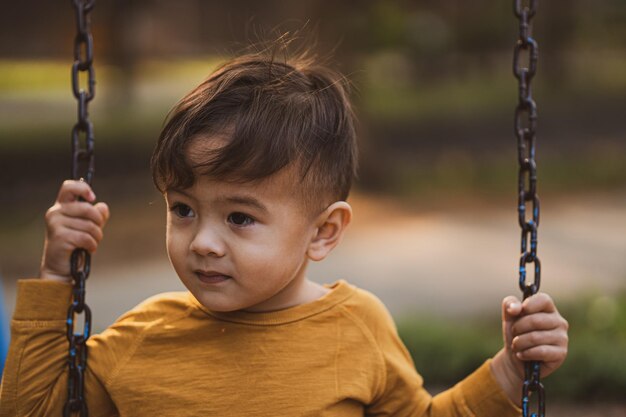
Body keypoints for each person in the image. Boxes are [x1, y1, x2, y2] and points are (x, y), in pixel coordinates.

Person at [0, 49, 568, 416]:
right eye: (183, 209)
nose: (202, 241)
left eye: (240, 218)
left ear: (323, 232)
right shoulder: (142, 338)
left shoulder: (356, 327)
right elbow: (35, 410)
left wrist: (509, 371)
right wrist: (55, 277)